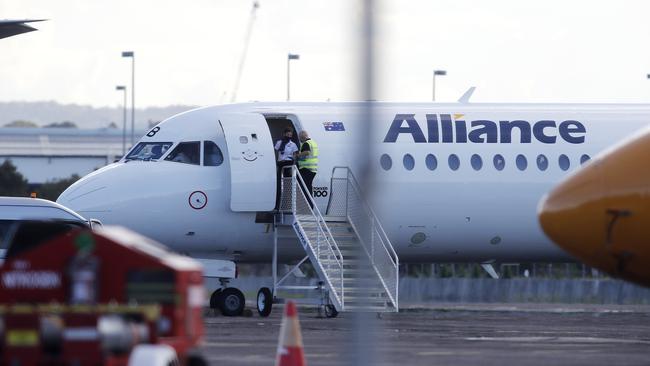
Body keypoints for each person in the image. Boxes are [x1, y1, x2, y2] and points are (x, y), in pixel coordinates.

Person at [274, 128, 298, 209]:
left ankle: (287, 203)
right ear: (284, 134)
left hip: (288, 164)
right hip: (281, 163)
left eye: (290, 135)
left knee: (288, 183)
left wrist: (293, 165)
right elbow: (276, 152)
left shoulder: (293, 144)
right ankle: (278, 204)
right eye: (288, 134)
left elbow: (294, 155)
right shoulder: (279, 143)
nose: (289, 136)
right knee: (279, 183)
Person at [296, 130, 318, 205]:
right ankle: (310, 204)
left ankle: (308, 205)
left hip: (306, 169)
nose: (300, 140)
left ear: (302, 137)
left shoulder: (306, 143)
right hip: (313, 169)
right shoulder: (313, 142)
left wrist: (298, 155)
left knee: (306, 188)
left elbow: (307, 152)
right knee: (308, 187)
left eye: (300, 139)